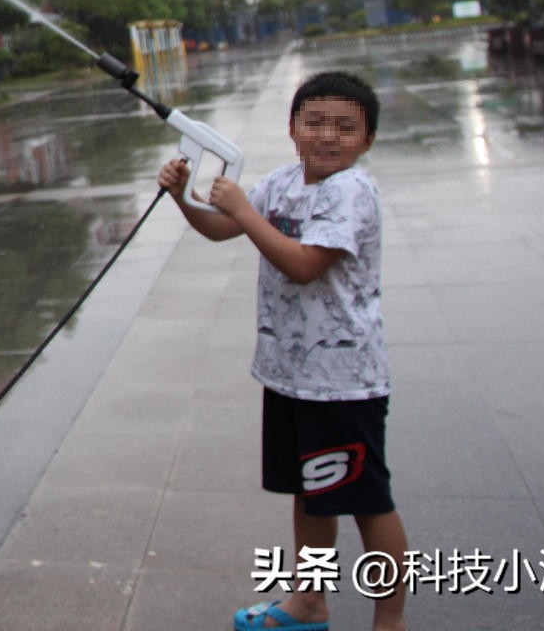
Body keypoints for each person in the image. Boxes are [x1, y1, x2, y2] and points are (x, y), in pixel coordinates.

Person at [158, 70, 407, 631]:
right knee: (309, 493)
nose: (327, 136)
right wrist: (182, 196)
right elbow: (222, 229)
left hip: (343, 383)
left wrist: (245, 212)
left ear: (367, 140)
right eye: (314, 122)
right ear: (292, 128)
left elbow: (302, 265)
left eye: (345, 127)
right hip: (292, 376)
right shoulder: (284, 181)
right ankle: (308, 603)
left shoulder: (352, 191)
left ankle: (391, 620)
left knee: (368, 502)